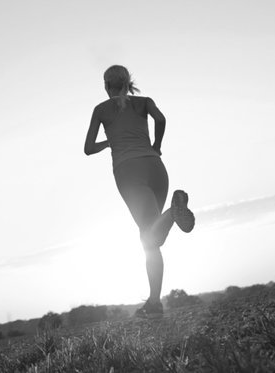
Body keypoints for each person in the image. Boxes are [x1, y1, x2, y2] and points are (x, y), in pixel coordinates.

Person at [84, 65, 195, 318]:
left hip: (128, 171)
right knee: (152, 239)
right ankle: (155, 302)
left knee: (149, 238)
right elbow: (161, 119)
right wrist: (156, 145)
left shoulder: (101, 110)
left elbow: (88, 148)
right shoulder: (144, 101)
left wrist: (109, 141)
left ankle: (172, 213)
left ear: (106, 85)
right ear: (128, 82)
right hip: (155, 166)